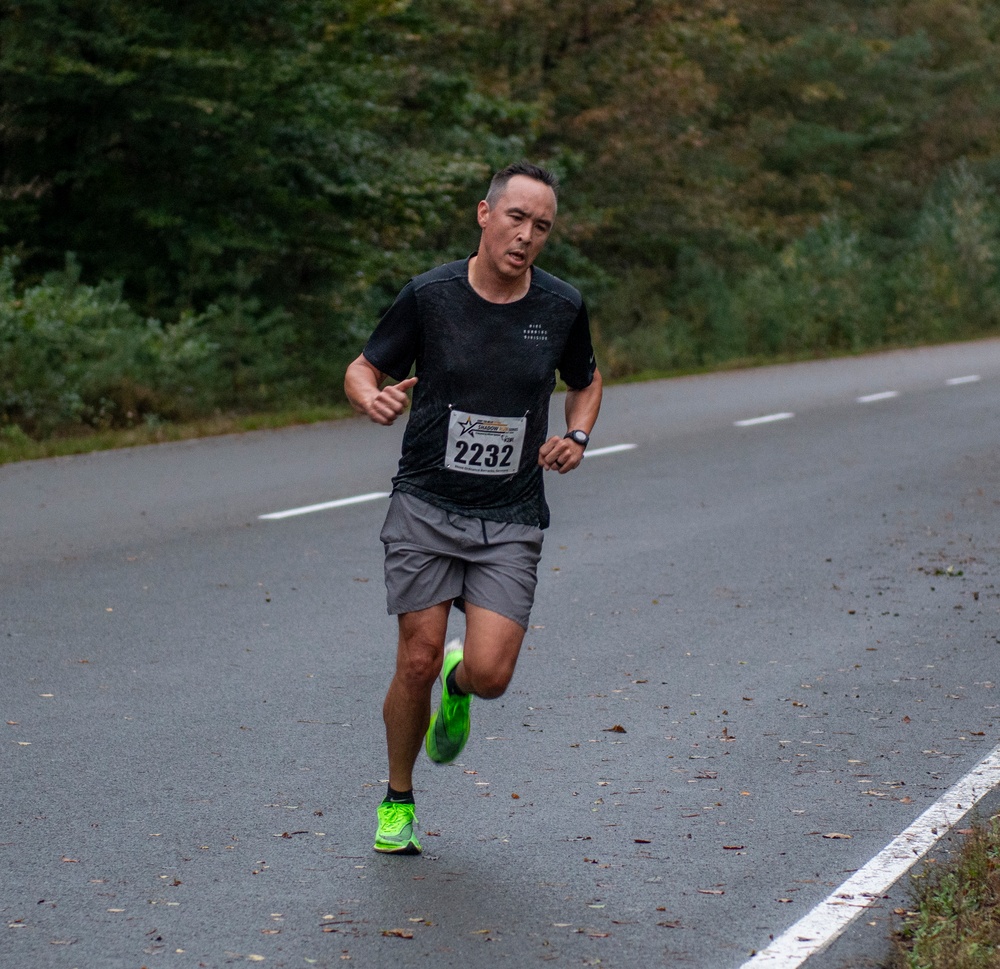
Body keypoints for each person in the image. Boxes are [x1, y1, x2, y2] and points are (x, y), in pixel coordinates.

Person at [344, 161, 603, 855]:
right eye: (515, 217)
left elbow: (586, 378)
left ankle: (460, 687)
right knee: (417, 657)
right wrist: (370, 396)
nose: (525, 235)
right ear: (484, 215)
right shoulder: (430, 296)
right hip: (426, 503)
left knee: (489, 675)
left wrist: (577, 433)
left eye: (540, 226)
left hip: (511, 513)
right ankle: (398, 797)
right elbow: (364, 365)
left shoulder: (560, 306)